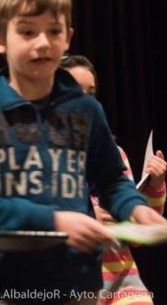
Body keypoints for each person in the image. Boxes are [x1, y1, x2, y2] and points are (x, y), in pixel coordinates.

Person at [0, 0, 167, 305]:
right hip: (5, 290)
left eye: (53, 31)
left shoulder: (86, 111)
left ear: (68, 37)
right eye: (28, 31)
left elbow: (111, 181)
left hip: (79, 287)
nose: (43, 42)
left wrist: (135, 209)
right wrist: (53, 221)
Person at [61, 54, 166, 305]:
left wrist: (154, 187)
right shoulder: (35, 152)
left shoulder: (113, 153)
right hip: (70, 285)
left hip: (123, 284)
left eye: (91, 93)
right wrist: (87, 215)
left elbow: (135, 238)